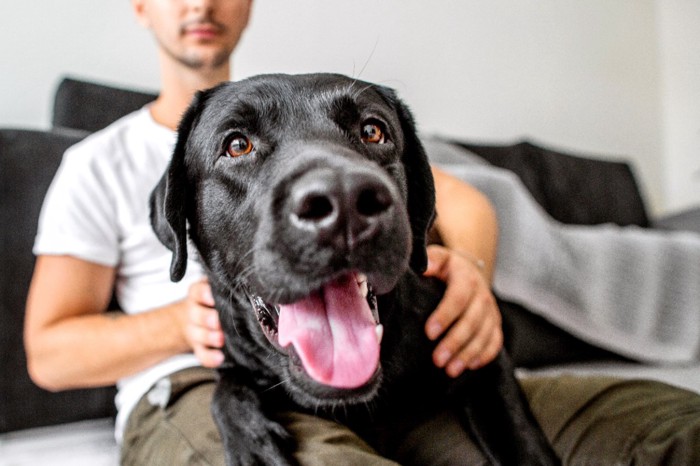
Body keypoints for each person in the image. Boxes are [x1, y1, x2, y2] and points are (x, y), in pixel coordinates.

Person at [24, 0, 700, 464]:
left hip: (403, 368)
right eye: (235, 146)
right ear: (140, 6)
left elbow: (463, 204)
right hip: (193, 383)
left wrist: (470, 274)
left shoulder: (318, 117)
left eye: (369, 135)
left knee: (671, 433)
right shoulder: (97, 163)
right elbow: (47, 353)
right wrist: (177, 325)